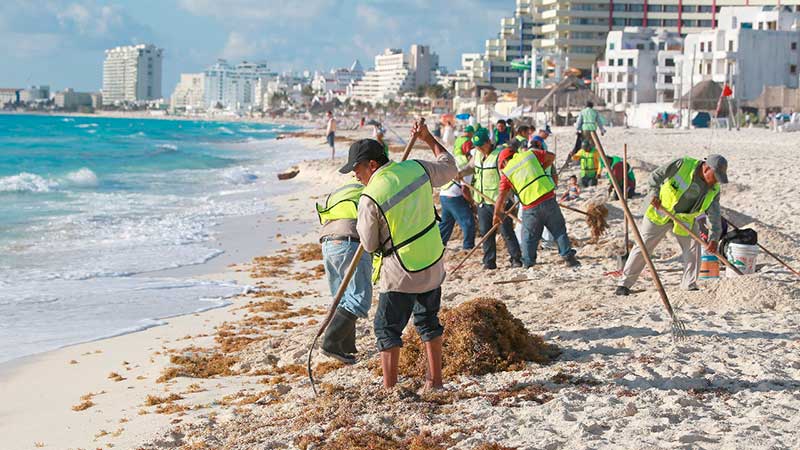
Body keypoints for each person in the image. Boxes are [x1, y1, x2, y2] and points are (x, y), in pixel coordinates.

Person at [345, 120, 456, 391]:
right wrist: (428, 139)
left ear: (372, 165)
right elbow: (449, 167)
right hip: (432, 262)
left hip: (401, 272)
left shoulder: (369, 197)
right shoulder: (417, 168)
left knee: (386, 329)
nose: (355, 176)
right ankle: (435, 382)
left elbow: (370, 245)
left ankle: (390, 387)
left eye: (357, 170)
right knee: (428, 322)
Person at [615, 155, 728, 296]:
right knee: (643, 246)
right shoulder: (683, 164)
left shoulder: (714, 189)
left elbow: (714, 216)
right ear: (706, 168)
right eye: (715, 176)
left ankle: (689, 284)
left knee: (694, 247)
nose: (716, 180)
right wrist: (654, 195)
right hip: (660, 210)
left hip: (685, 219)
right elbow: (655, 177)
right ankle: (624, 284)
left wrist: (714, 238)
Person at [493, 140, 580, 268]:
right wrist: (539, 169)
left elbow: (501, 196)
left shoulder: (507, 173)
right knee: (559, 230)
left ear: (504, 161)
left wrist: (497, 213)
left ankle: (528, 262)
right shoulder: (530, 155)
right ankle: (568, 257)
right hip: (548, 198)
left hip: (530, 206)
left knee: (529, 236)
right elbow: (551, 157)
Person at [315, 180, 373, 364]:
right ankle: (330, 343)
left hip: (327, 242)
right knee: (359, 298)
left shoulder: (344, 190)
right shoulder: (371, 191)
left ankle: (344, 347)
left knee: (342, 297)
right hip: (350, 242)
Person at [470, 128, 523, 269]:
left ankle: (516, 258)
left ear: (488, 142)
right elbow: (471, 168)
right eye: (477, 146)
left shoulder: (499, 155)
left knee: (506, 232)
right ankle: (489, 262)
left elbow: (508, 177)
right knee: (486, 233)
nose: (480, 149)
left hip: (499, 201)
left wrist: (507, 198)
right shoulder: (476, 154)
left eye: (482, 145)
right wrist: (461, 173)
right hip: (482, 201)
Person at [439, 128, 476, 251]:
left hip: (444, 194)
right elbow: (465, 190)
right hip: (454, 195)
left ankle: (438, 245)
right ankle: (468, 247)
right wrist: (472, 203)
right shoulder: (468, 166)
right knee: (468, 222)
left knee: (446, 223)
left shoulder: (457, 159)